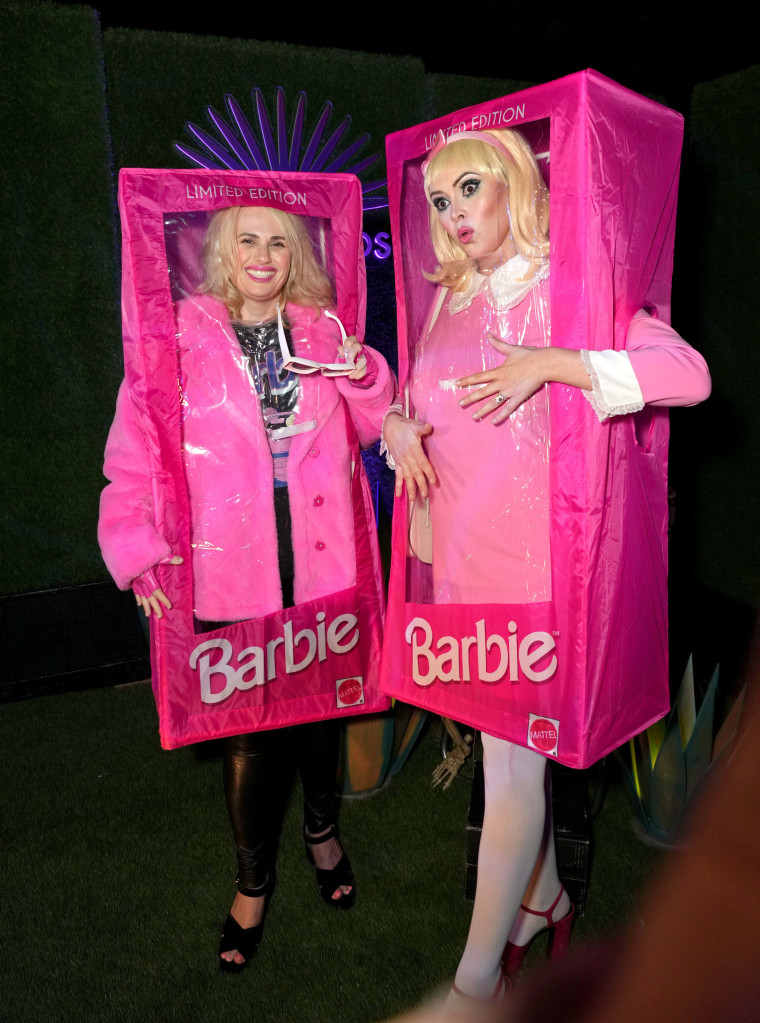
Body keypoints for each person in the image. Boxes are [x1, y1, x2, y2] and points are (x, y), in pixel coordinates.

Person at [382, 128, 711, 1005]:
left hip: (534, 575)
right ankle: (541, 901)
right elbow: (413, 402)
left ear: (518, 185)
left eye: (471, 189)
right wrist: (396, 430)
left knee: (513, 769)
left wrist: (555, 363)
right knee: (501, 758)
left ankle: (474, 981)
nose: (453, 214)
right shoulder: (451, 298)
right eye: (440, 200)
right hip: (455, 562)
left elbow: (687, 375)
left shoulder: (577, 288)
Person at [98, 204, 395, 972]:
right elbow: (137, 449)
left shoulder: (324, 328)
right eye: (247, 240)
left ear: (295, 254)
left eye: (278, 241)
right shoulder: (178, 337)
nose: (263, 254)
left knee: (323, 709)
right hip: (231, 559)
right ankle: (252, 880)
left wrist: (365, 371)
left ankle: (323, 832)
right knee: (250, 729)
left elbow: (374, 424)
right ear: (222, 252)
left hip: (322, 551)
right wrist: (138, 548)